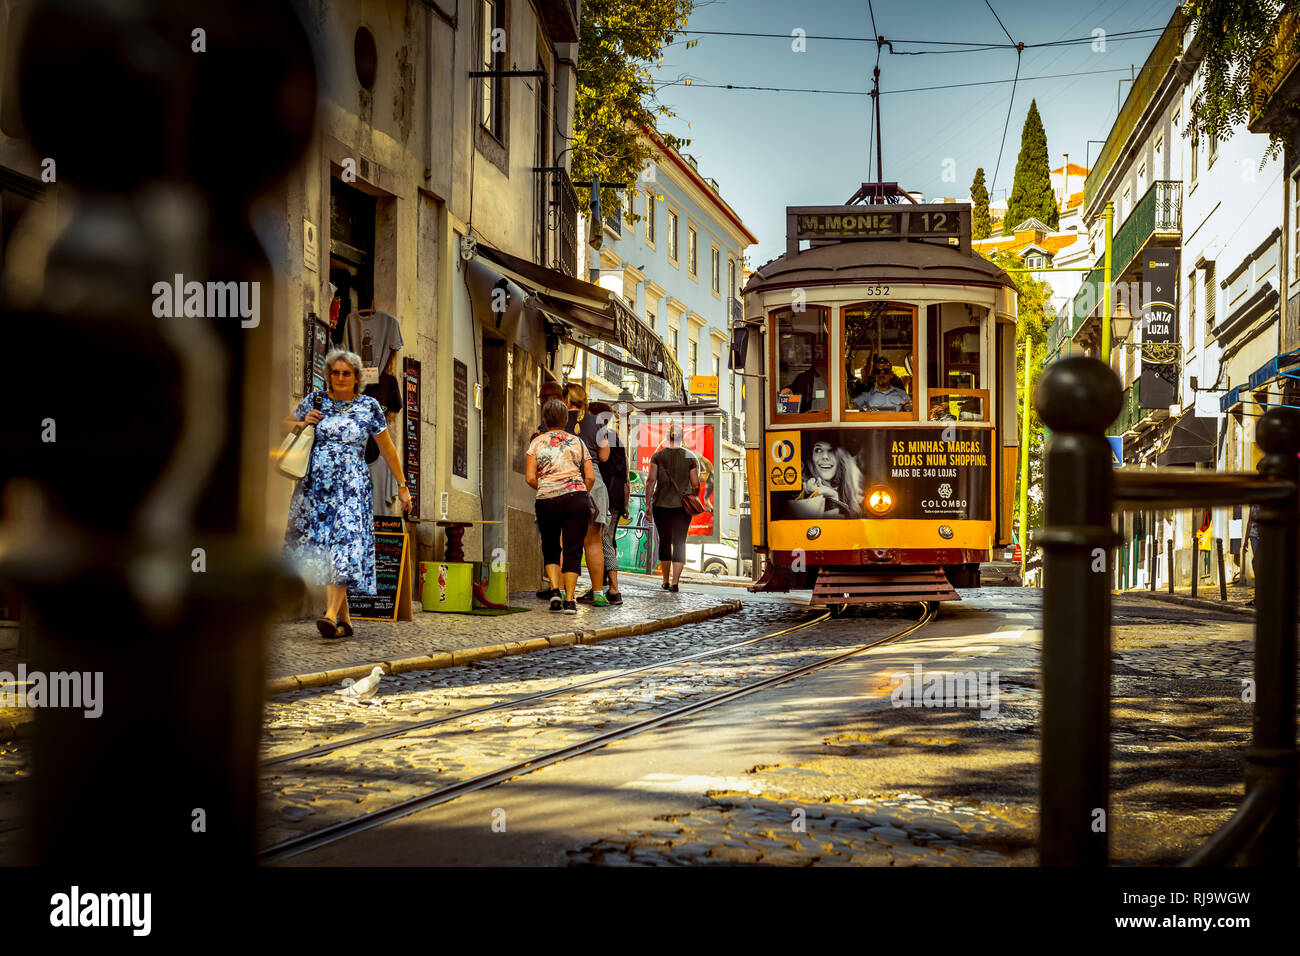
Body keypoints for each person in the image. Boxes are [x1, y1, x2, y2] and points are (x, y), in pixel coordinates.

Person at [283, 349, 413, 639]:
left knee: (344, 546)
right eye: (335, 372)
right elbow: (284, 426)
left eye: (346, 373)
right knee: (327, 550)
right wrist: (304, 423)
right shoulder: (315, 401)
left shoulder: (369, 407)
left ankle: (329, 615)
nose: (340, 377)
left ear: (356, 378)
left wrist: (403, 486)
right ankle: (346, 621)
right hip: (316, 489)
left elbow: (387, 449)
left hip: (352, 488)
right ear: (329, 375)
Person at [525, 399, 595, 613]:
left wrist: (546, 487)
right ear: (565, 420)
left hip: (547, 499)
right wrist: (580, 491)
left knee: (551, 546)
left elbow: (529, 477)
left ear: (545, 420)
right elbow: (590, 477)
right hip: (576, 498)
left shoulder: (536, 443)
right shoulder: (577, 442)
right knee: (573, 548)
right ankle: (570, 600)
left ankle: (555, 591)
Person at [565, 383, 612, 607]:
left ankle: (565, 593)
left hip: (565, 481)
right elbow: (604, 456)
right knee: (593, 543)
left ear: (565, 400)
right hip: (594, 483)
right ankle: (597, 594)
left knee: (565, 541)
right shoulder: (599, 424)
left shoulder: (556, 420)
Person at [645, 422, 700, 592]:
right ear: (682, 438)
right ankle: (676, 582)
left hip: (661, 505)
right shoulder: (690, 457)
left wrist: (648, 504)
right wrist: (691, 494)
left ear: (667, 438)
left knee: (664, 541)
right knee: (679, 542)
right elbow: (696, 484)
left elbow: (651, 480)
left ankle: (665, 580)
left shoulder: (658, 456)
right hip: (682, 508)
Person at [590, 402, 630, 605]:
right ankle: (599, 586)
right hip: (614, 498)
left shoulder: (599, 437)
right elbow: (625, 477)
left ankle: (614, 589)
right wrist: (625, 503)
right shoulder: (618, 440)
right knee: (605, 541)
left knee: (603, 542)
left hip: (601, 496)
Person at [532, 379, 565, 598]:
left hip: (554, 495)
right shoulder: (540, 432)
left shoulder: (567, 428)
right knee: (553, 543)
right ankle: (558, 589)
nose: (542, 401)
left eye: (546, 396)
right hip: (558, 495)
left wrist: (546, 486)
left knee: (558, 542)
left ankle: (559, 589)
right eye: (541, 396)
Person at [799, 440, 864, 517]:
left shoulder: (855, 492)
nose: (825, 456)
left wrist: (833, 496)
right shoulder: (801, 490)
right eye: (818, 450)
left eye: (832, 450)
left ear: (842, 458)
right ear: (810, 457)